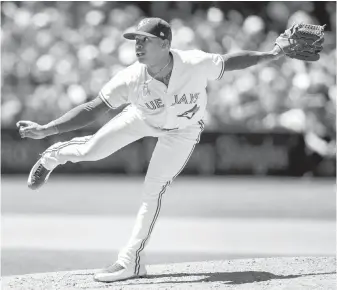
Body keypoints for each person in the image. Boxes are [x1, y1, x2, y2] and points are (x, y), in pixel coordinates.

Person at [17, 17, 284, 282]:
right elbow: (92, 109)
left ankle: (131, 260)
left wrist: (271, 55)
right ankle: (52, 156)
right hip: (141, 118)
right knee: (91, 150)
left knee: (152, 190)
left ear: (166, 43)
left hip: (183, 131)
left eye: (146, 40)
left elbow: (231, 61)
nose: (138, 45)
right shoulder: (131, 77)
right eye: (136, 40)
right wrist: (48, 128)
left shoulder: (194, 62)